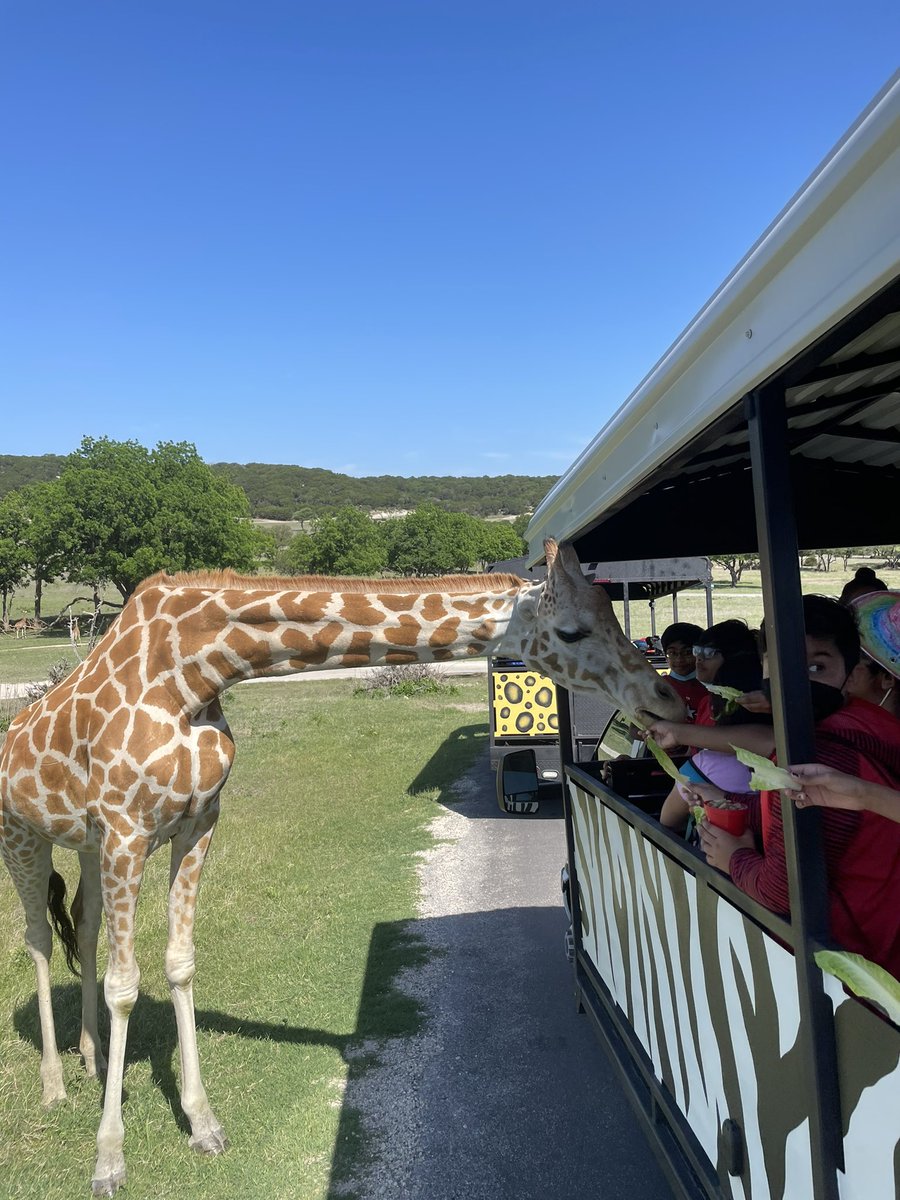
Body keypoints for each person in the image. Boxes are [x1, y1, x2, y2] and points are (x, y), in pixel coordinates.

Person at [686, 595, 900, 979]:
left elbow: (782, 893)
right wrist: (728, 801)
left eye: (817, 666)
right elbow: (794, 813)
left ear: (851, 675)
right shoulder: (856, 730)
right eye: (781, 663)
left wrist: (733, 858)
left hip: (851, 971)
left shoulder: (818, 753)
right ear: (764, 667)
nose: (797, 680)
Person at [657, 620, 764, 832]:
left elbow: (667, 823)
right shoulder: (707, 701)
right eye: (697, 651)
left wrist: (677, 735)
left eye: (709, 653)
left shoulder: (706, 765)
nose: (698, 658)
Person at [659, 622, 705, 719]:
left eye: (687, 652)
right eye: (672, 653)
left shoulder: (713, 688)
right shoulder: (658, 686)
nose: (679, 659)